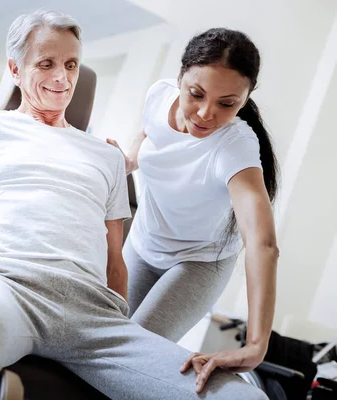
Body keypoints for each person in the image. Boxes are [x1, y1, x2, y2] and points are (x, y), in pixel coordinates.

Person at [0, 11, 267, 400]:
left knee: (243, 397)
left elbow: (116, 261)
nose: (62, 78)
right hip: (2, 291)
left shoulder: (107, 157)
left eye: (71, 64)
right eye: (46, 64)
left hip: (93, 317)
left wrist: (120, 328)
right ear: (15, 69)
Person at [107, 28, 279, 379]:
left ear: (245, 99)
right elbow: (149, 138)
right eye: (196, 94)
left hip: (199, 262)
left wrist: (256, 345)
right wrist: (126, 161)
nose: (204, 113)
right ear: (181, 76)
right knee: (105, 337)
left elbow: (262, 243)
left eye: (226, 104)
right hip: (143, 246)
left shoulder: (235, 147)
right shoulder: (159, 96)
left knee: (127, 358)